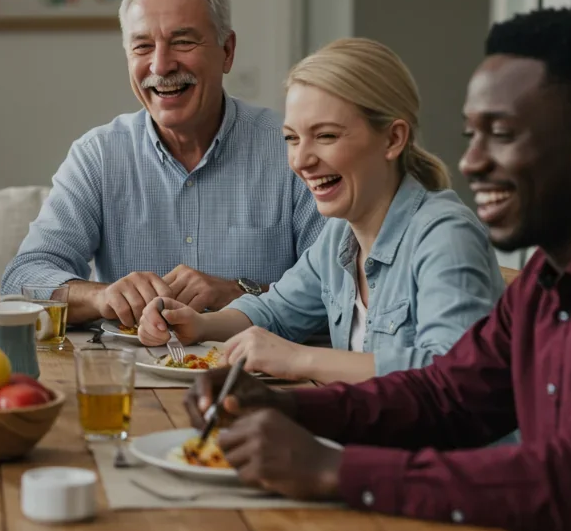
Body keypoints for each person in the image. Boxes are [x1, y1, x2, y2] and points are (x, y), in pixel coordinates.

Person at [185, 9, 571, 531]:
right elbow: (448, 395)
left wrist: (335, 468)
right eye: (472, 135)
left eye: (502, 134)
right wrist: (289, 407)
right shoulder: (545, 283)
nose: (471, 162)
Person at [137, 39, 502, 384]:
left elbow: (453, 374)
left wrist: (299, 359)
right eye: (292, 138)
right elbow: (275, 312)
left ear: (393, 139)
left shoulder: (445, 236)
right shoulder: (341, 236)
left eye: (326, 136)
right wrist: (198, 325)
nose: (301, 160)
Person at [1, 0, 324, 328]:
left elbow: (338, 291)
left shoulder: (290, 150)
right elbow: (22, 280)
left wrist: (240, 292)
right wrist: (102, 297)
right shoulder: (99, 156)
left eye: (183, 42)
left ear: (227, 51)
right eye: (142, 46)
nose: (161, 65)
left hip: (256, 362)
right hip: (131, 361)